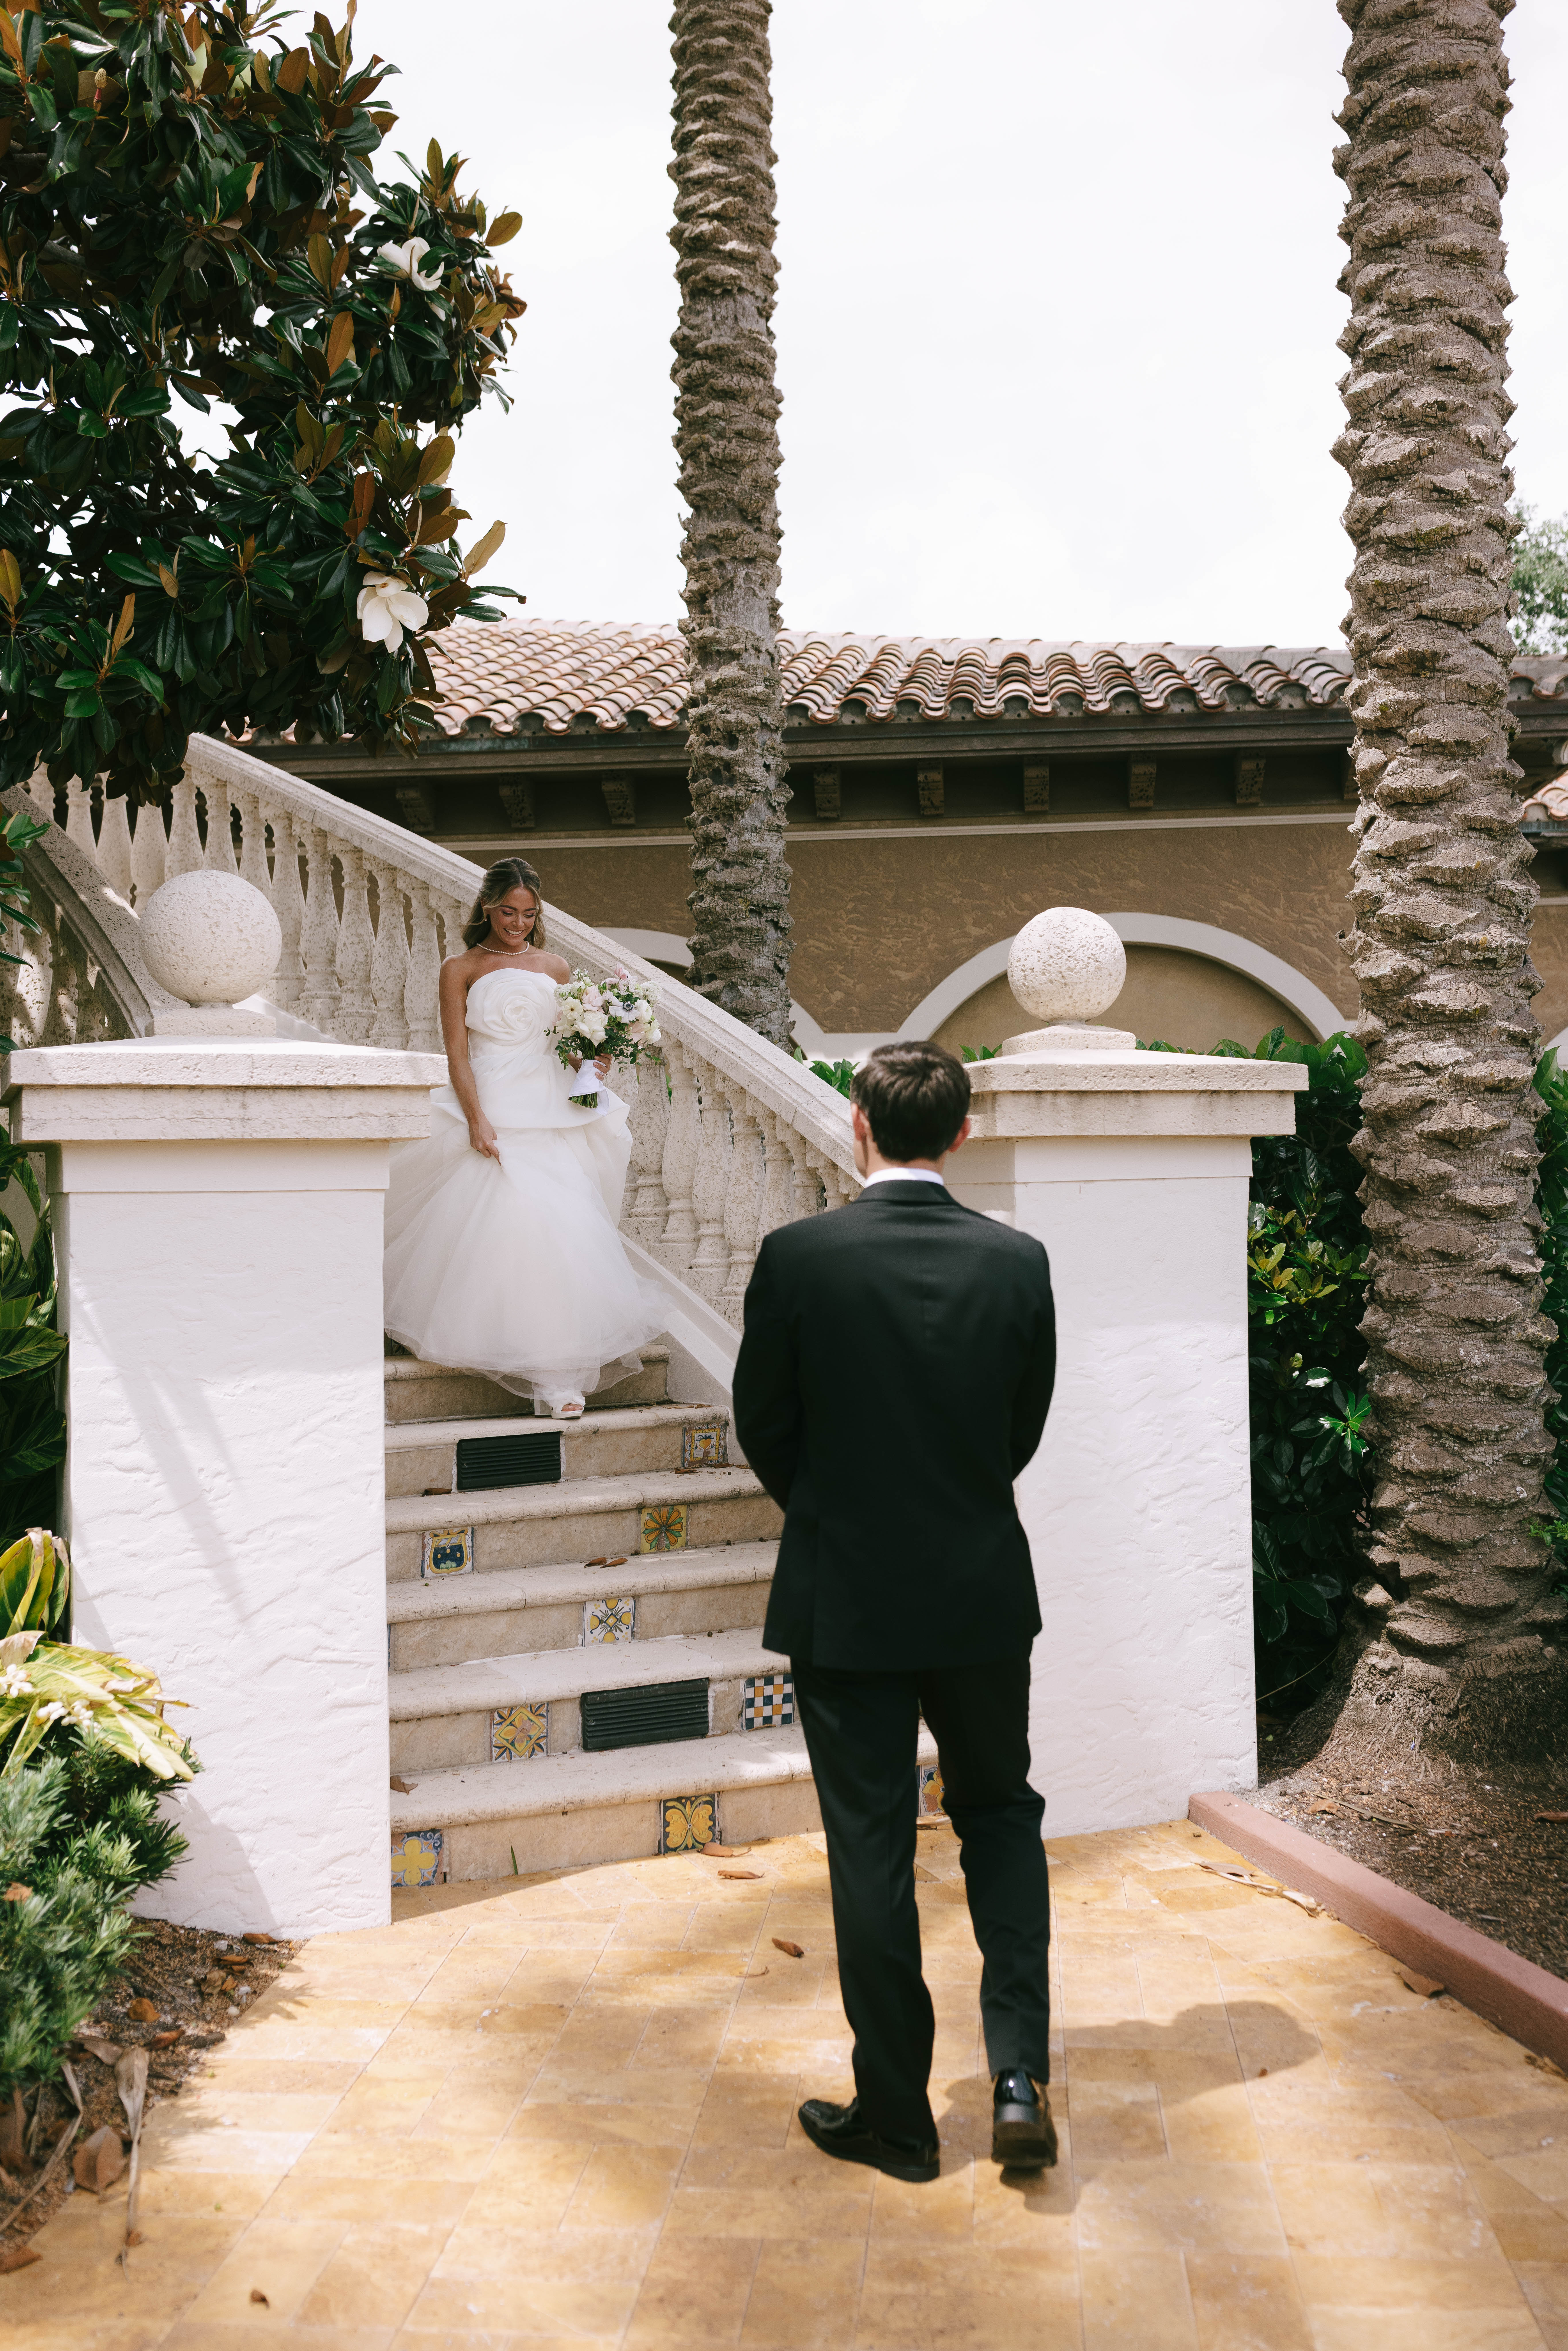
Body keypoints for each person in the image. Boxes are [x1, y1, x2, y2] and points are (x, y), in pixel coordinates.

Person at [732, 1039, 1057, 2183]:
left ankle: (898, 2117)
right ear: (961, 1133)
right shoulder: (1017, 1262)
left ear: (855, 1126)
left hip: (846, 1594)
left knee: (870, 1844)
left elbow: (763, 1422)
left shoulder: (797, 1257)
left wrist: (834, 1511)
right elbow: (1020, 1427)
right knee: (1000, 1816)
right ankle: (1019, 2076)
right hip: (978, 1588)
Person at [383, 857, 665, 1418]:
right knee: (503, 1228)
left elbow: (568, 1044)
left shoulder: (556, 966)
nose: (517, 923)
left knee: (558, 1230)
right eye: (508, 912)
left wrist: (597, 1060)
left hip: (549, 1104)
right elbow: (456, 1053)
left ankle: (557, 1379)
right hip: (492, 1100)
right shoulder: (459, 967)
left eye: (528, 914)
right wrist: (475, 1118)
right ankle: (539, 1368)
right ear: (487, 907)